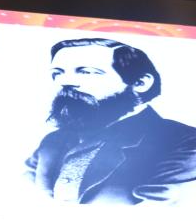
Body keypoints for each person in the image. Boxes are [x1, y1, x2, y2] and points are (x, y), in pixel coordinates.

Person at [26, 37, 196, 204]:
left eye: (86, 72)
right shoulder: (53, 141)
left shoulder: (184, 141)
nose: (65, 82)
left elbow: (161, 209)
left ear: (140, 83)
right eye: (57, 73)